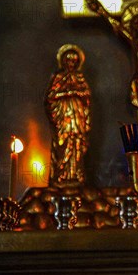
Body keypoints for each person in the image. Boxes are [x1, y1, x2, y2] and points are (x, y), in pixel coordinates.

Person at [45, 44, 91, 187]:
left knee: (77, 142)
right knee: (63, 143)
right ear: (63, 62)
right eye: (68, 61)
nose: (71, 64)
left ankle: (75, 173)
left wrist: (77, 94)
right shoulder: (59, 77)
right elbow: (51, 97)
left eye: (74, 61)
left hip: (77, 116)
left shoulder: (80, 77)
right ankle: (62, 174)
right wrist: (67, 93)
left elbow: (86, 95)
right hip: (64, 116)